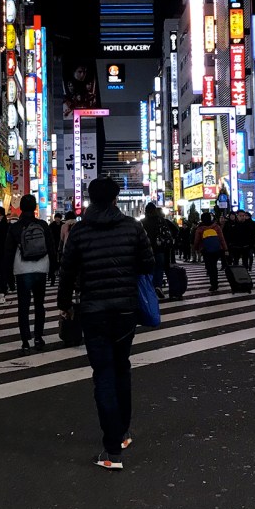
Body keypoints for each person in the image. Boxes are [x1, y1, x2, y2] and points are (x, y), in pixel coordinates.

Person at [57, 176, 156, 470]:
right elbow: (148, 264)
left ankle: (111, 451)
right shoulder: (132, 227)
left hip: (93, 310)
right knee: (122, 366)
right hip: (125, 309)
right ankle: (122, 434)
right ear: (115, 199)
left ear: (90, 199)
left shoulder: (80, 231)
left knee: (103, 373)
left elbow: (67, 270)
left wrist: (64, 304)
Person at [5, 194, 57, 352]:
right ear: (35, 207)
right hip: (41, 269)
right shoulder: (42, 225)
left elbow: (8, 252)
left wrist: (9, 276)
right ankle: (38, 337)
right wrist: (53, 270)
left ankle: (25, 340)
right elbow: (51, 247)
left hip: (22, 270)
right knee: (39, 305)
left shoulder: (14, 227)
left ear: (20, 207)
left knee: (23, 306)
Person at [141, 202, 174, 289]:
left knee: (149, 270)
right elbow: (169, 233)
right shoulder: (161, 220)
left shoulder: (142, 222)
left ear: (146, 211)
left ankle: (150, 288)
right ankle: (158, 287)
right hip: (160, 249)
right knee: (159, 269)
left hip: (147, 250)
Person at [192, 212, 228, 293]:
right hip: (216, 250)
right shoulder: (216, 227)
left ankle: (213, 283)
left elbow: (197, 240)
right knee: (214, 266)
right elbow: (221, 238)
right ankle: (215, 282)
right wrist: (225, 249)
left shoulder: (200, 228)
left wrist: (196, 248)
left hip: (206, 250)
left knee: (210, 266)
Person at [48, 212, 64, 286]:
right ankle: (52, 278)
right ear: (55, 218)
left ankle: (59, 276)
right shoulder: (51, 225)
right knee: (53, 263)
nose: (57, 219)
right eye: (56, 217)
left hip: (61, 246)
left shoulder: (63, 225)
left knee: (60, 262)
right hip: (53, 246)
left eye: (59, 218)